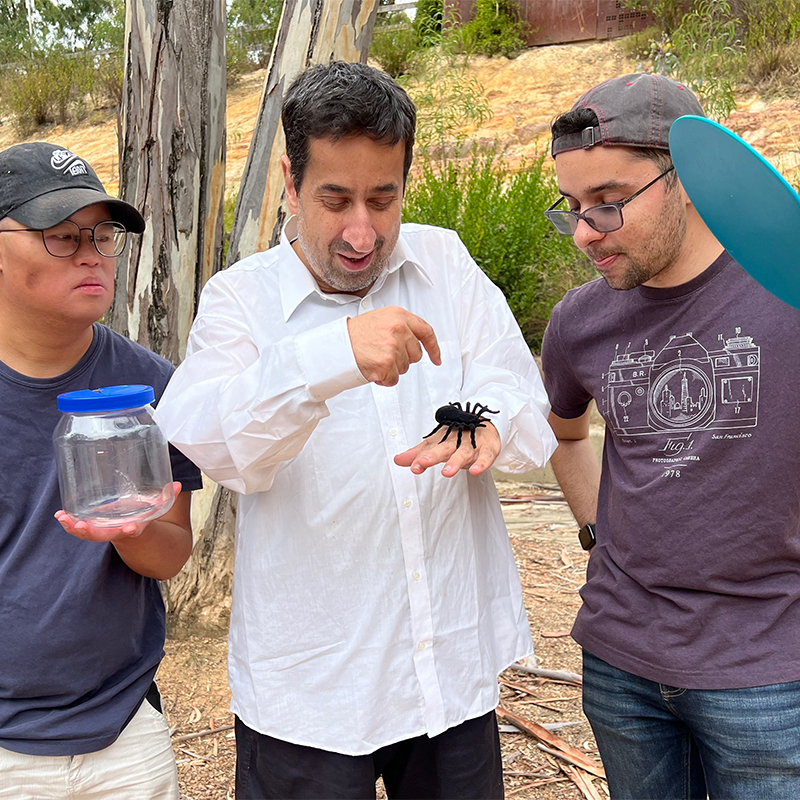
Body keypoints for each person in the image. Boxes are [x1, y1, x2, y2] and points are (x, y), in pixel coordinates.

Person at [154, 61, 556, 799]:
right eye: (335, 200)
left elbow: (520, 401)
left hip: (449, 674)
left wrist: (493, 425)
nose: (362, 232)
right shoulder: (241, 300)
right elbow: (204, 433)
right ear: (289, 179)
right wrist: (330, 357)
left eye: (384, 197)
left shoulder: (446, 263)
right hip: (308, 690)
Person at [540, 73, 800, 799]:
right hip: (622, 663)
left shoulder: (787, 287)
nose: (587, 232)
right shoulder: (580, 322)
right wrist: (598, 534)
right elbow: (565, 436)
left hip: (771, 669)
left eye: (610, 202)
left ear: (686, 180)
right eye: (573, 208)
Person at [0, 142, 203, 800]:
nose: (91, 254)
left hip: (123, 732)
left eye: (102, 235)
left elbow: (170, 554)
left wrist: (128, 529)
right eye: (61, 236)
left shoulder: (149, 387)